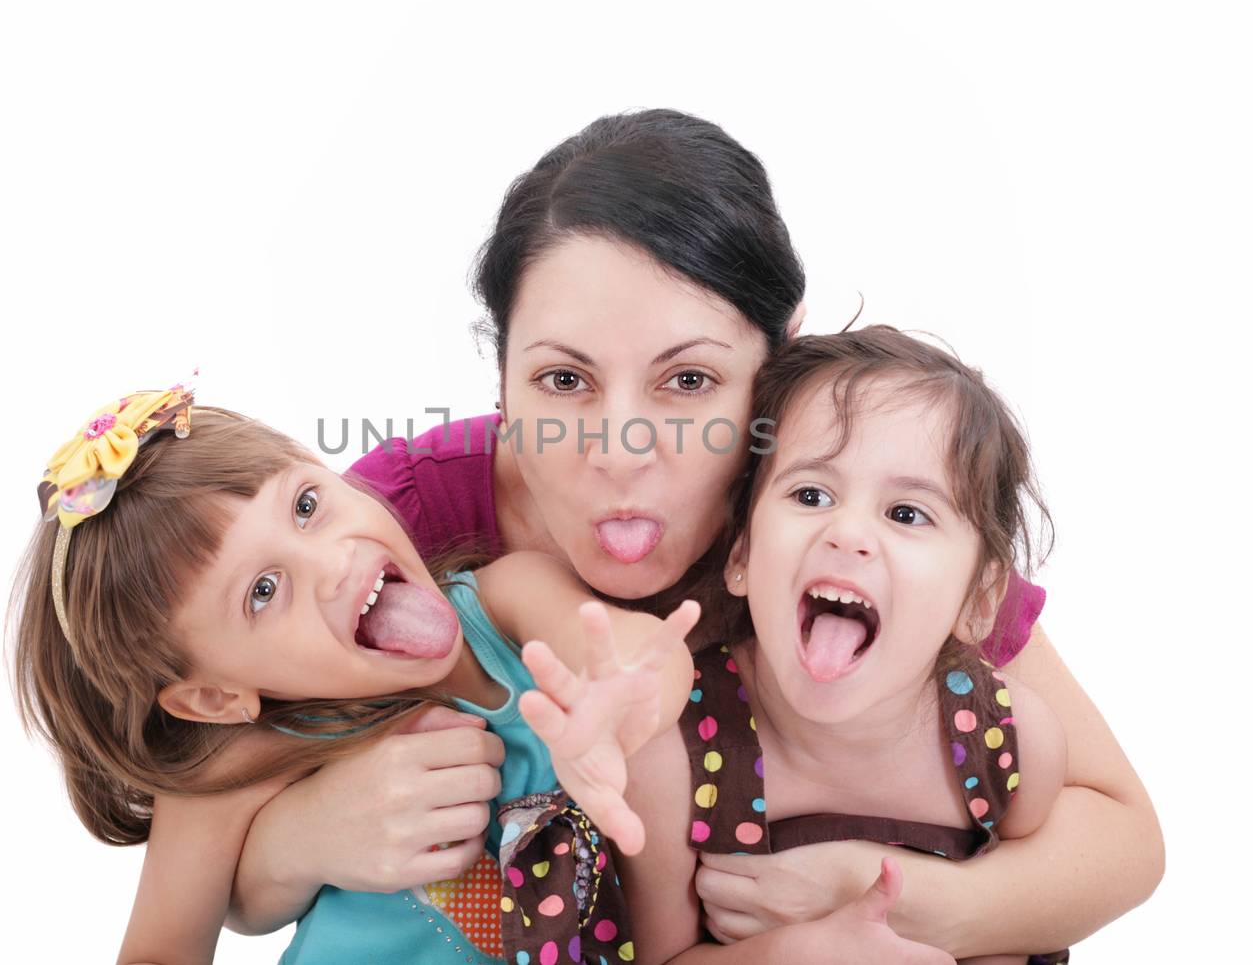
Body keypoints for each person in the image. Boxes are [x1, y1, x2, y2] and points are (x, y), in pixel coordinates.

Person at [227, 111, 1163, 958]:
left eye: (687, 382)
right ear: (501, 377)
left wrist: (886, 897)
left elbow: (1123, 838)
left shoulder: (841, 513)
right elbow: (205, 808)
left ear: (780, 360)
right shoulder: (399, 524)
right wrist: (295, 839)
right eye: (563, 381)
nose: (621, 451)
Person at [9, 385, 700, 964]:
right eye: (263, 590)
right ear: (215, 696)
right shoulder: (240, 762)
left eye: (306, 505)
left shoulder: (508, 600)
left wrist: (622, 701)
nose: (333, 560)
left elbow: (642, 649)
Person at [539, 327, 1075, 963]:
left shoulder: (1010, 744)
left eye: (906, 514)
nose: (848, 533)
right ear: (741, 556)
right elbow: (661, 958)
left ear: (980, 600)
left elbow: (1027, 924)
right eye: (810, 494)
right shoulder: (675, 757)